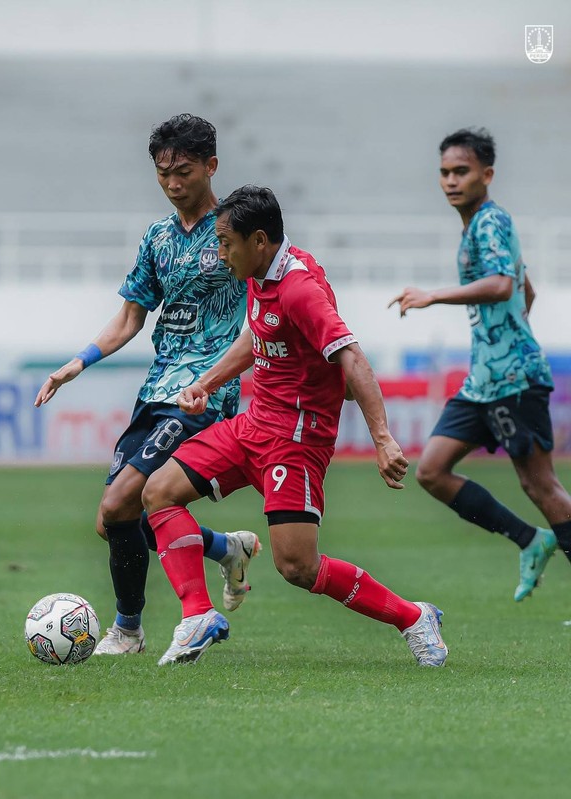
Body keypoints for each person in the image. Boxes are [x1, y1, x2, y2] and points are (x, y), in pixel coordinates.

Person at [142, 185, 449, 668]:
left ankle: (414, 618)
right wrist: (207, 381)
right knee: (158, 492)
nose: (221, 255)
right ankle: (197, 615)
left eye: (227, 244)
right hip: (252, 426)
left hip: (296, 443)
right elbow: (256, 334)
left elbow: (351, 356)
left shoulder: (301, 287)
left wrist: (383, 438)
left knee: (297, 567)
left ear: (259, 240)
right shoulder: (258, 272)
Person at [34, 114, 261, 655]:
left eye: (183, 171)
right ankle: (225, 547)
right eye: (163, 174)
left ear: (211, 166)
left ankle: (129, 630)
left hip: (204, 396)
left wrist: (217, 378)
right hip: (157, 392)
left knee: (120, 504)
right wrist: (78, 362)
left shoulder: (237, 232)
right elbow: (131, 318)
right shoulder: (158, 238)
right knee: (112, 519)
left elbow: (262, 318)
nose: (172, 183)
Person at [389, 127, 571, 602]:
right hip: (485, 379)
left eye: (461, 171)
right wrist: (509, 333)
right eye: (445, 173)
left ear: (486, 175)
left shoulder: (490, 222)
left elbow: (502, 287)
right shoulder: (476, 227)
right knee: (431, 470)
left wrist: (432, 296)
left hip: (514, 379)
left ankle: (541, 536)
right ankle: (531, 540)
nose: (451, 181)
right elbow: (525, 287)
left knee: (541, 486)